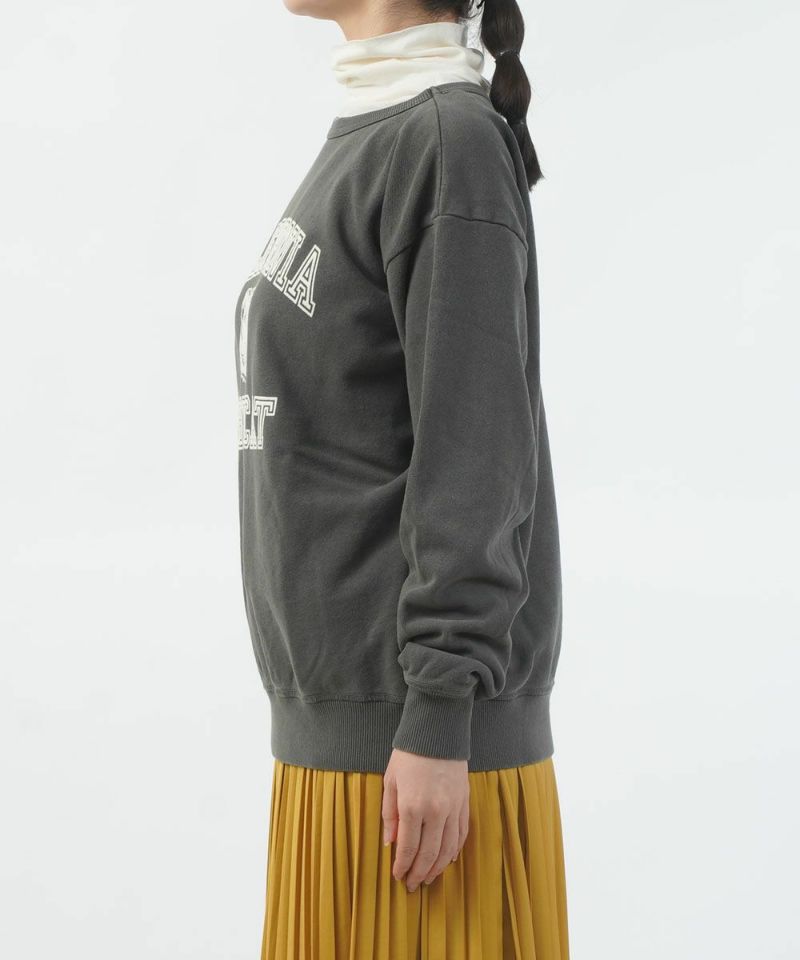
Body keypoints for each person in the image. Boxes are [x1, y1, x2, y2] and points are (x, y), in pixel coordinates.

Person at [234, 1, 569, 956]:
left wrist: (437, 714)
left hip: (412, 761)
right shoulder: (374, 132)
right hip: (341, 745)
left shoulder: (446, 141)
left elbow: (478, 452)